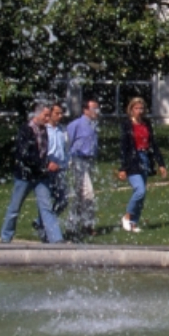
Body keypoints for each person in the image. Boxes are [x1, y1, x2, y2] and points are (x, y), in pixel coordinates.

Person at [0, 102, 64, 244]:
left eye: (48, 116)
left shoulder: (43, 130)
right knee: (15, 207)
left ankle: (56, 239)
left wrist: (46, 165)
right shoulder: (26, 130)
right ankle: (6, 237)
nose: (47, 119)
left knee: (46, 207)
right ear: (37, 114)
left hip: (40, 176)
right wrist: (46, 164)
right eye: (45, 115)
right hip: (24, 176)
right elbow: (25, 155)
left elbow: (43, 152)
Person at [117, 97, 167, 233]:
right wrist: (122, 168)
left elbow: (153, 144)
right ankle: (127, 216)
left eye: (141, 108)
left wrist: (161, 164)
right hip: (133, 160)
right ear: (131, 110)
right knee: (140, 190)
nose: (139, 111)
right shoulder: (127, 125)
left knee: (142, 194)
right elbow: (124, 147)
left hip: (145, 159)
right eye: (136, 108)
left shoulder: (146, 124)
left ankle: (134, 223)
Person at [33, 103, 70, 242]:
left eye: (61, 113)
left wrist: (66, 163)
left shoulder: (62, 130)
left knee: (63, 200)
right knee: (46, 202)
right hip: (47, 169)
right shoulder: (44, 130)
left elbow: (65, 149)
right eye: (57, 113)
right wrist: (47, 164)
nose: (60, 116)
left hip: (60, 169)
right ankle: (50, 233)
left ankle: (41, 221)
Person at [65, 99, 100, 239]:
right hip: (78, 160)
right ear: (85, 110)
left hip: (89, 161)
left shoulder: (94, 125)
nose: (97, 112)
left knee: (81, 195)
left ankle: (74, 225)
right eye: (94, 109)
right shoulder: (76, 124)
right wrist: (69, 161)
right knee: (88, 193)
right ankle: (87, 224)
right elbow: (68, 143)